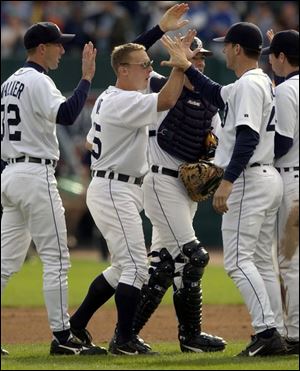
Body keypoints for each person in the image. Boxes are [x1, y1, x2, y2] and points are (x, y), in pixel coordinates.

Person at [69, 6, 196, 356]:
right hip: (114, 187)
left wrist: (158, 29)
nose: (150, 67)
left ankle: (77, 325)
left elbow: (129, 56)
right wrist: (180, 63)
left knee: (122, 267)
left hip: (118, 187)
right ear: (124, 72)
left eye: (151, 64)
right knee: (138, 267)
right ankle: (124, 340)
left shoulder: (119, 91)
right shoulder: (123, 101)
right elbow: (168, 97)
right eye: (146, 66)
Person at [160, 22, 288, 357]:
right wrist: (186, 66)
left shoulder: (249, 85)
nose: (222, 51)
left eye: (225, 45)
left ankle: (267, 332)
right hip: (267, 176)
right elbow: (215, 92)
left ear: (234, 48)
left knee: (236, 261)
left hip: (249, 178)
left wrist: (227, 181)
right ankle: (278, 332)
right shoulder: (257, 82)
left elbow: (247, 137)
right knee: (260, 261)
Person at [1, 22, 106, 356]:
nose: (63, 50)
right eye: (58, 44)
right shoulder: (38, 80)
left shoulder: (8, 83)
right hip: (34, 175)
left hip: (11, 174)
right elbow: (66, 114)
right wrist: (86, 77)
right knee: (57, 260)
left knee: (4, 263)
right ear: (41, 48)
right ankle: (63, 336)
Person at [123, 24, 227, 353]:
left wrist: (213, 164)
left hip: (186, 189)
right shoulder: (156, 85)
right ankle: (190, 336)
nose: (200, 63)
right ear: (178, 58)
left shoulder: (211, 100)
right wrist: (161, 33)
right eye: (193, 56)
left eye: (201, 58)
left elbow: (218, 146)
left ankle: (126, 335)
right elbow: (126, 56)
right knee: (194, 256)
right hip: (161, 181)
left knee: (167, 264)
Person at [262, 29, 299, 355]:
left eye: (272, 54)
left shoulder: (288, 90)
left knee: (289, 263)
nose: (269, 60)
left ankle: (296, 334)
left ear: (282, 57)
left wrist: (255, 156)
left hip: (292, 181)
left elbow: (283, 140)